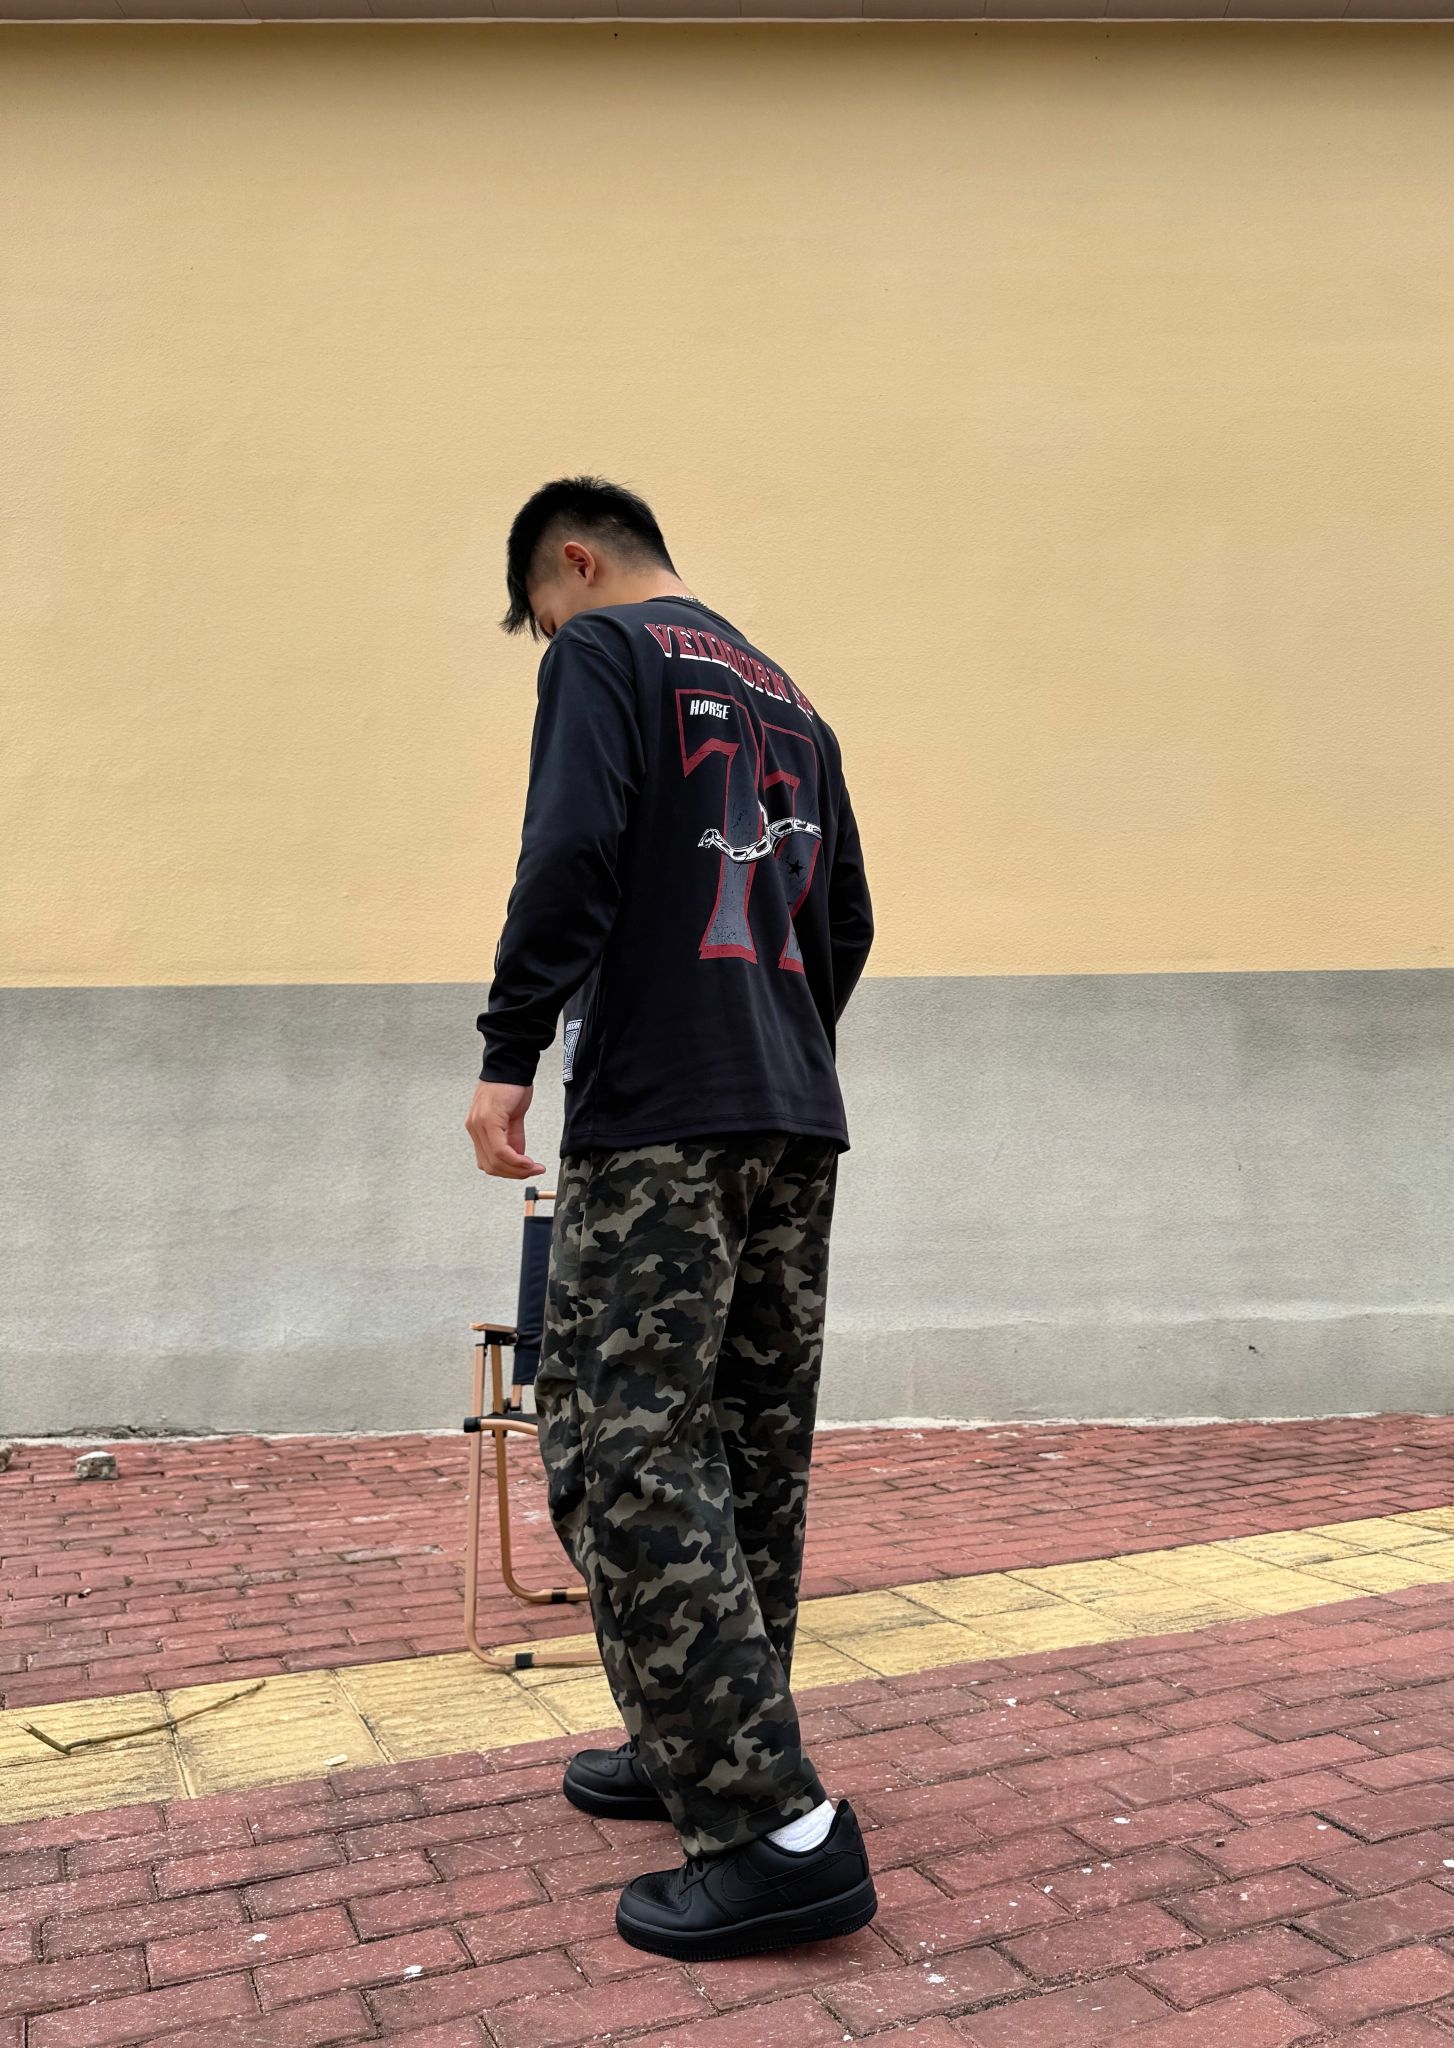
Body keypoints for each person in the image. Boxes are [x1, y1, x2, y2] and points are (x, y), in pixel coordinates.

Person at [464, 476, 877, 1961]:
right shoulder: (789, 699)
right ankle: (696, 1738)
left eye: (539, 611)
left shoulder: (605, 652)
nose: (547, 636)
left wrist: (509, 1049)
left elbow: (572, 847)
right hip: (792, 1108)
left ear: (574, 562)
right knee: (747, 1445)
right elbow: (844, 921)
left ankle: (772, 1835)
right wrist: (768, 1041)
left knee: (617, 1447)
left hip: (661, 1111)